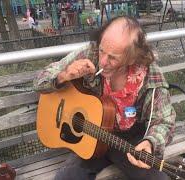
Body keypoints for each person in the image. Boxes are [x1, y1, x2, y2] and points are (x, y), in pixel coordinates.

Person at [33, 16, 175, 180]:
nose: (102, 61)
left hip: (129, 141)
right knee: (66, 177)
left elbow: (164, 119)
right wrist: (63, 76)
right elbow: (39, 81)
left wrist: (151, 142)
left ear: (132, 57)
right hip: (91, 136)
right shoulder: (90, 53)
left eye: (113, 57)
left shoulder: (150, 75)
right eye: (102, 51)